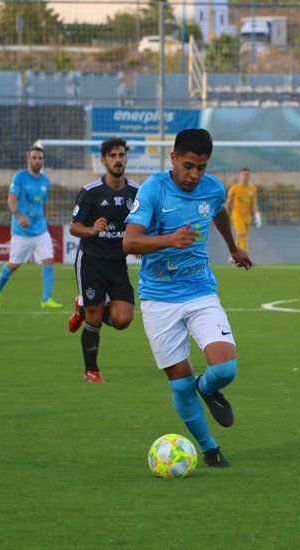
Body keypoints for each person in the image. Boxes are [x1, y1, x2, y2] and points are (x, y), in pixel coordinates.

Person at [123, 129, 252, 468]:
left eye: (202, 168)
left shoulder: (211, 188)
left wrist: (232, 246)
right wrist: (169, 240)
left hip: (200, 292)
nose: (195, 175)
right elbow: (130, 242)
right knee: (180, 387)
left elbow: (218, 210)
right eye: (189, 166)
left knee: (225, 368)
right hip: (158, 300)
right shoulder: (153, 188)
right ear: (174, 159)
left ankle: (207, 388)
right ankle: (209, 448)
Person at [66, 138, 139, 382]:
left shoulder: (136, 193)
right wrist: (91, 230)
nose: (118, 160)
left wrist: (139, 243)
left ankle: (83, 307)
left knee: (123, 319)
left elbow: (143, 224)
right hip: (91, 260)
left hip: (117, 263)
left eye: (121, 155)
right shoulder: (90, 192)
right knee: (95, 316)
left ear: (126, 158)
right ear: (104, 161)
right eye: (113, 156)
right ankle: (92, 371)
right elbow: (74, 227)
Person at [0, 146, 62, 309]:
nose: (37, 161)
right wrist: (20, 217)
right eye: (34, 158)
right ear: (29, 160)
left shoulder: (45, 181)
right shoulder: (20, 177)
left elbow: (43, 204)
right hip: (21, 232)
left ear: (43, 161)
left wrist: (43, 219)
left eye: (40, 158)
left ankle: (46, 299)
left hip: (40, 230)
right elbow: (11, 200)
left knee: (49, 260)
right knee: (14, 264)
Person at [225, 167, 261, 260]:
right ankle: (246, 257)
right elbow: (228, 202)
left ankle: (232, 257)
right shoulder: (235, 188)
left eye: (247, 174)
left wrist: (257, 216)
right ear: (240, 176)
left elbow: (254, 203)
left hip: (247, 217)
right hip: (237, 215)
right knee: (242, 236)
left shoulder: (252, 189)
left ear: (249, 176)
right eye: (243, 174)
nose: (245, 176)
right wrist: (223, 213)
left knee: (240, 237)